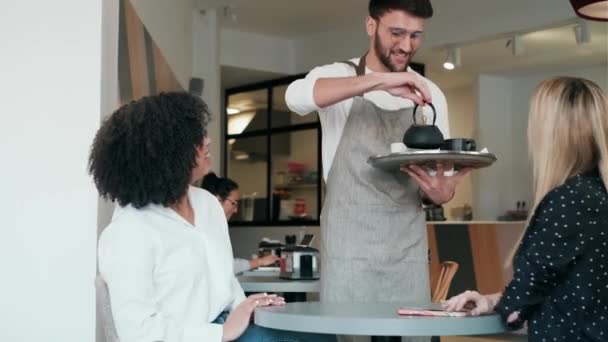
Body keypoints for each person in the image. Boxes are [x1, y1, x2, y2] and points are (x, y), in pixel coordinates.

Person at [285, 1, 469, 340]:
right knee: (349, 336)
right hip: (348, 249)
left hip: (406, 248)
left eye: (416, 35)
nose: (406, 45)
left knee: (413, 336)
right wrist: (378, 82)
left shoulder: (430, 96)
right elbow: (295, 97)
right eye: (396, 33)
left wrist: (440, 194)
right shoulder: (339, 76)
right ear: (371, 26)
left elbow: (437, 181)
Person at [90, 92, 334, 342]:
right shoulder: (128, 231)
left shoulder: (207, 204)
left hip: (226, 325)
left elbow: (225, 281)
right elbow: (138, 333)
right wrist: (221, 332)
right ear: (162, 154)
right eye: (194, 138)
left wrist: (249, 308)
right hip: (195, 336)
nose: (207, 141)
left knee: (322, 336)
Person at [443, 77, 608, 341]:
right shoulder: (595, 194)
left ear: (552, 133)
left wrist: (503, 303)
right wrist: (492, 300)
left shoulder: (568, 201)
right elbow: (548, 285)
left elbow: (518, 305)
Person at [201, 172, 280, 274]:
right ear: (217, 200)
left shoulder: (215, 228)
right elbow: (224, 267)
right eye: (234, 203)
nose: (236, 210)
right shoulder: (205, 230)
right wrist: (259, 262)